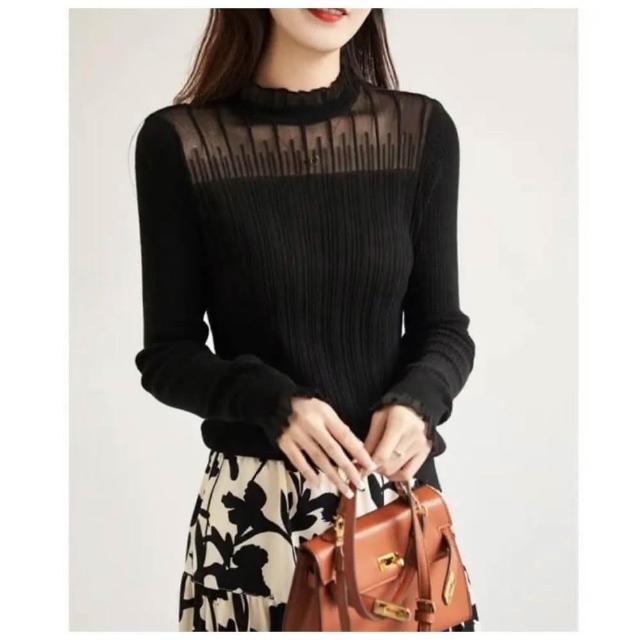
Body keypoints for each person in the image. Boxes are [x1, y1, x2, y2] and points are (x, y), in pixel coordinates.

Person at [133, 7, 480, 632]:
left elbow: (443, 329)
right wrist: (274, 403)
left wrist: (418, 404)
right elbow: (167, 356)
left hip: (393, 512)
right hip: (254, 520)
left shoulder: (419, 131)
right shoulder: (180, 143)